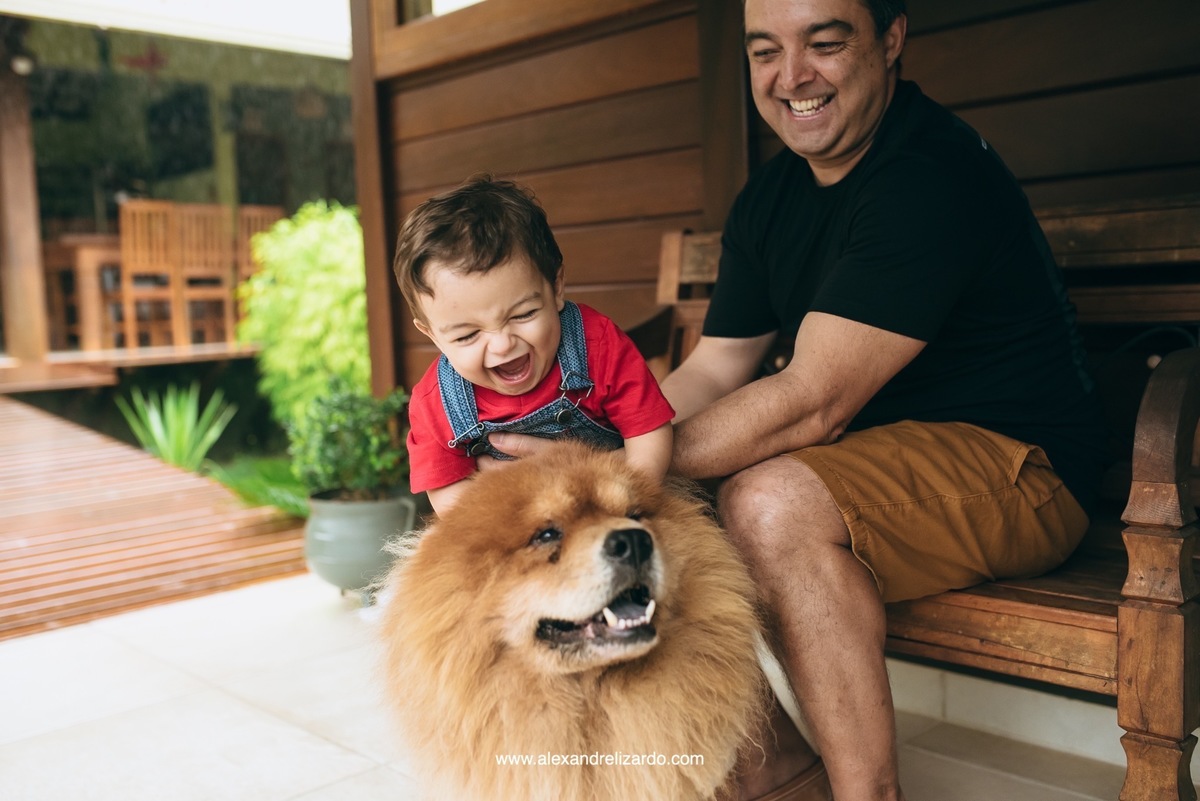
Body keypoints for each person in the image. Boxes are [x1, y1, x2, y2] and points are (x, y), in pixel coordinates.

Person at [487, 0, 1108, 799]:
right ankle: (773, 771)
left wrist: (604, 460)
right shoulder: (770, 198)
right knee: (655, 501)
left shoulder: (928, 173)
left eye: (825, 42)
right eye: (765, 51)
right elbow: (714, 369)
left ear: (890, 40)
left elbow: (815, 400)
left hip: (1022, 467)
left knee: (765, 502)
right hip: (876, 467)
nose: (792, 77)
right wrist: (599, 447)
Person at [394, 176, 675, 516]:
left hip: (613, 500)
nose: (501, 344)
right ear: (432, 335)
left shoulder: (596, 345)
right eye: (467, 335)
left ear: (556, 288)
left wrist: (633, 504)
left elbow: (648, 433)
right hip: (517, 526)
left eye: (524, 314)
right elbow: (449, 496)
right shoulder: (436, 403)